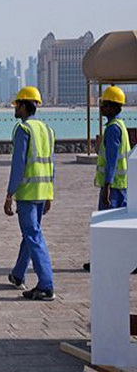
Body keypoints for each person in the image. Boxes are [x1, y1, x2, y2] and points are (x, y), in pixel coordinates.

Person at [4, 86, 56, 301]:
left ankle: (46, 284)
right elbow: (51, 164)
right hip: (42, 191)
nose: (15, 109)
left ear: (25, 106)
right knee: (31, 234)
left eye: (17, 105)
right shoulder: (46, 130)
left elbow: (18, 166)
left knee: (33, 236)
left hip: (26, 192)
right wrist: (50, 193)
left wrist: (9, 195)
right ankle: (18, 274)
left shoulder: (23, 129)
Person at [83, 86, 130, 272]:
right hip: (122, 185)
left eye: (103, 104)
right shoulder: (120, 126)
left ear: (111, 106)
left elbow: (111, 159)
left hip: (114, 186)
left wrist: (107, 186)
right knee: (118, 226)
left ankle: (103, 260)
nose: (100, 106)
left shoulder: (112, 129)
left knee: (105, 226)